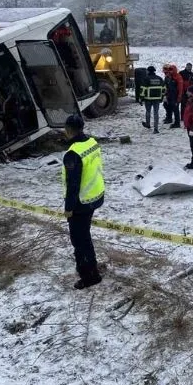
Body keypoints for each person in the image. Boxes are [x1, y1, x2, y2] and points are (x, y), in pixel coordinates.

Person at [62, 114, 105, 290]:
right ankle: (91, 266)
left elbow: (73, 184)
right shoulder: (92, 143)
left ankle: (89, 276)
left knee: (79, 240)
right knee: (85, 236)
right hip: (96, 196)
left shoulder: (73, 154)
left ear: (69, 130)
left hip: (81, 202)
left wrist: (69, 208)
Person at [140, 66, 165, 133]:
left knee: (148, 111)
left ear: (148, 71)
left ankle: (148, 124)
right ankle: (156, 129)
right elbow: (164, 89)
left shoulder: (146, 78)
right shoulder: (159, 78)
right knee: (156, 113)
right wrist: (161, 97)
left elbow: (143, 89)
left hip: (148, 99)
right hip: (157, 99)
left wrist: (141, 98)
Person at [162, 64, 183, 128]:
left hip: (175, 96)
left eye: (171, 70)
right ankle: (169, 118)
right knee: (167, 106)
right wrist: (165, 94)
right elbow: (166, 86)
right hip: (169, 95)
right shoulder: (169, 77)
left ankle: (177, 123)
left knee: (175, 109)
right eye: (169, 70)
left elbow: (180, 88)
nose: (170, 71)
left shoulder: (178, 77)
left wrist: (179, 97)